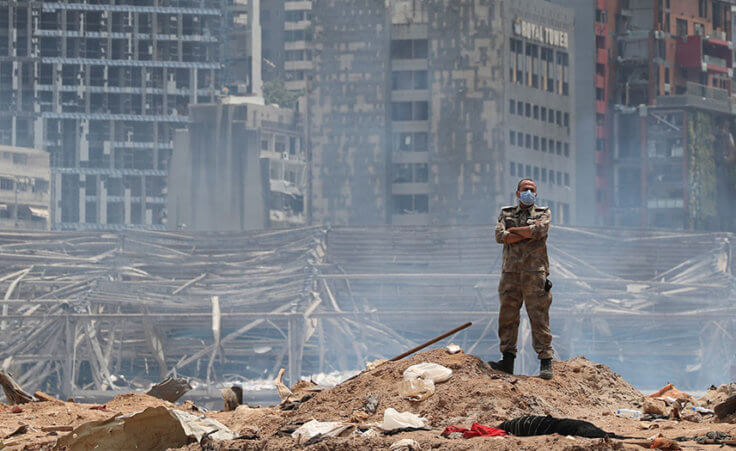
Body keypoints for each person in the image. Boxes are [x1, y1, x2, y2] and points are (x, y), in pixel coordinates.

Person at [489, 178, 554, 379]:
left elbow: (539, 230)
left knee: (539, 316)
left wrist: (514, 231)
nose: (528, 192)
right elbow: (500, 236)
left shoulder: (543, 213)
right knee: (508, 317)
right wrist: (527, 232)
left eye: (532, 190)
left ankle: (545, 362)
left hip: (535, 273)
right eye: (525, 189)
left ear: (536, 193)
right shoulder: (506, 212)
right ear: (517, 193)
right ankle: (507, 361)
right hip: (511, 273)